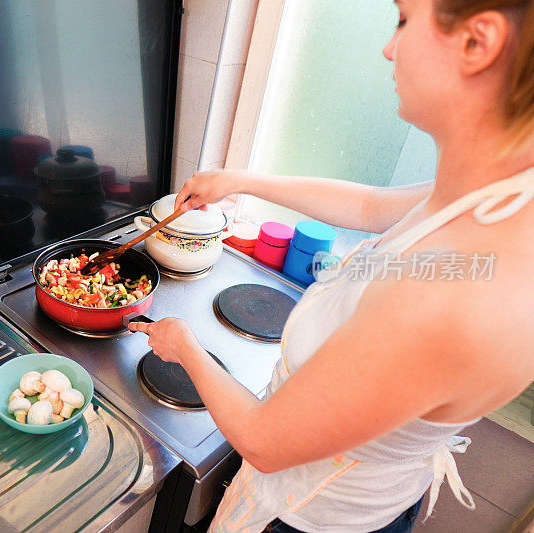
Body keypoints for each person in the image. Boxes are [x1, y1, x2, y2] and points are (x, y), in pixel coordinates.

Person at [128, 0, 534, 531]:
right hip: (371, 497)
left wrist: (183, 344)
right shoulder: (490, 196)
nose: (389, 47)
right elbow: (368, 206)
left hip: (313, 519)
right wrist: (240, 180)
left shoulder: (452, 291)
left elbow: (266, 442)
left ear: (477, 42)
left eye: (405, 20)